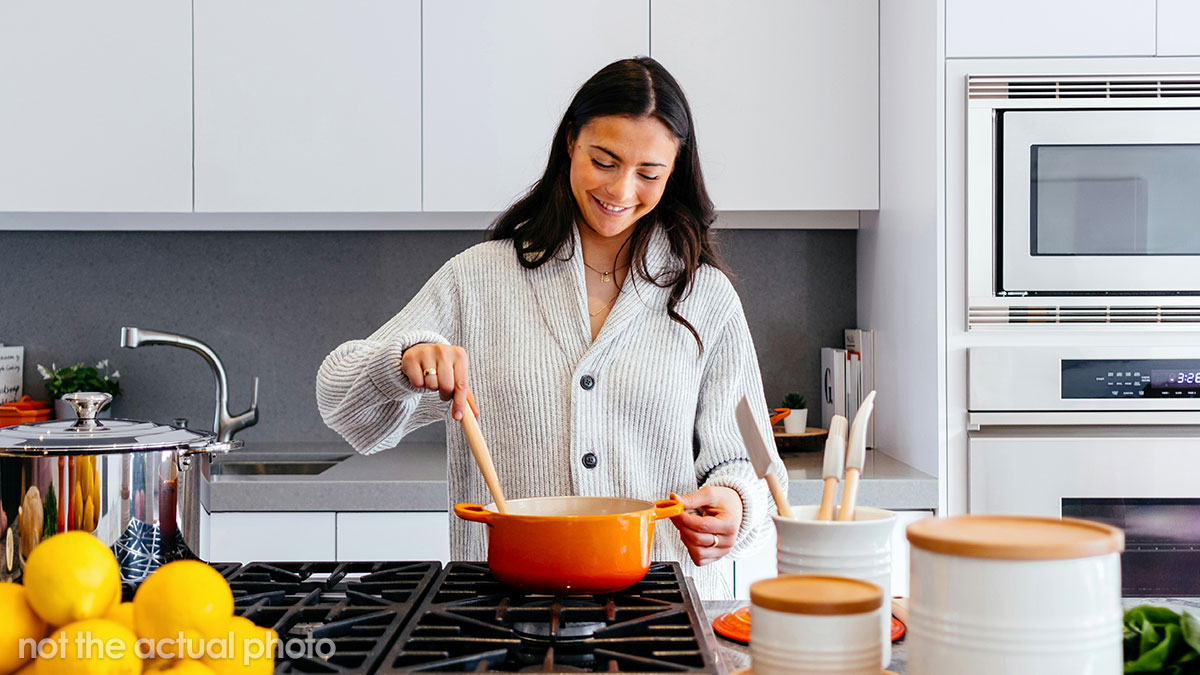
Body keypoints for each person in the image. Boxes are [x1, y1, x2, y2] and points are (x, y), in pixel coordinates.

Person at [315, 56, 786, 599]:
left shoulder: (705, 296)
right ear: (570, 143)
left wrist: (733, 503)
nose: (622, 189)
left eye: (649, 173)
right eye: (604, 161)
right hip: (497, 610)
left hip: (655, 610)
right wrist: (401, 363)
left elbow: (748, 462)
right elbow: (341, 405)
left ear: (674, 171)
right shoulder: (480, 278)